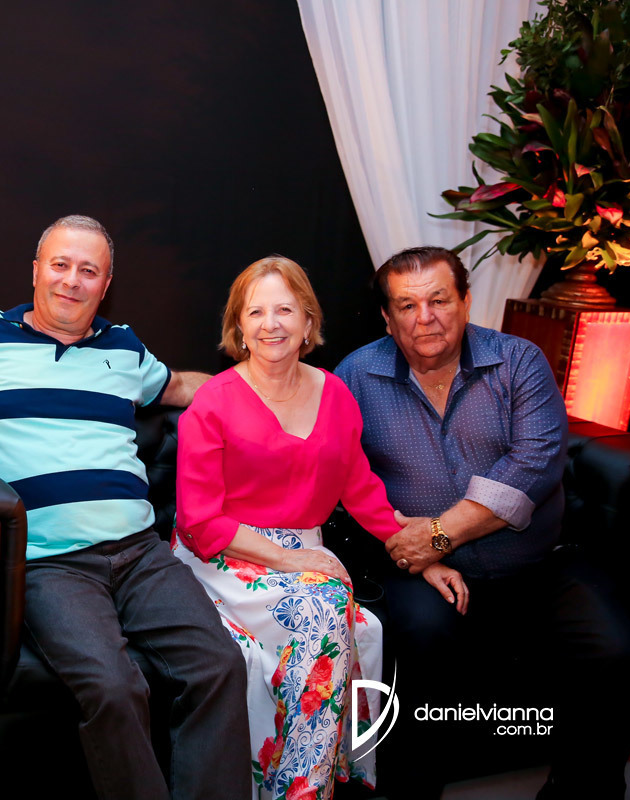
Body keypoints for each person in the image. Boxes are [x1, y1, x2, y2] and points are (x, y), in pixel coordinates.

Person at [0, 215, 253, 800]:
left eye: (89, 270)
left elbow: (181, 386)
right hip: (49, 562)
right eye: (60, 265)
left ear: (105, 285)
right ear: (36, 271)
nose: (71, 280)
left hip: (141, 555)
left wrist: (258, 390)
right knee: (113, 688)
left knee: (220, 665)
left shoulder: (124, 347)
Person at [335, 245, 630, 799]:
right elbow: (341, 475)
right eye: (407, 306)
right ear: (386, 317)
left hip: (537, 565)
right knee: (420, 638)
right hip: (422, 575)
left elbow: (534, 464)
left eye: (438, 300)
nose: (425, 318)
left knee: (619, 648)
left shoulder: (518, 361)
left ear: (466, 301)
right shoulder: (355, 377)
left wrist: (436, 535)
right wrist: (412, 549)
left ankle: (581, 789)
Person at [172, 256, 467, 800]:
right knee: (324, 605)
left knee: (331, 605)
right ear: (239, 326)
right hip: (226, 555)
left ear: (308, 321)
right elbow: (199, 521)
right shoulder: (213, 402)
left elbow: (360, 488)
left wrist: (420, 556)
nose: (271, 324)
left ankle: (306, 783)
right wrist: (294, 559)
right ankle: (301, 790)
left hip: (305, 557)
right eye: (255, 312)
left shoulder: (335, 394)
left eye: (285, 310)